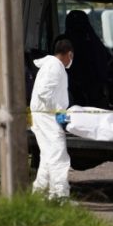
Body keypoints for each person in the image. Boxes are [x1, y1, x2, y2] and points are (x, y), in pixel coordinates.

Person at [30, 39, 74, 200]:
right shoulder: (55, 66)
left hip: (44, 114)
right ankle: (60, 197)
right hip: (47, 116)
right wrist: (60, 113)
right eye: (71, 56)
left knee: (48, 156)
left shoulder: (51, 65)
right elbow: (44, 93)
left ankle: (40, 194)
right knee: (58, 155)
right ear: (69, 53)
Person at [63, 10, 111, 107]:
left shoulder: (61, 43)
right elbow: (104, 66)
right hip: (93, 97)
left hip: (69, 94)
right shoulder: (94, 43)